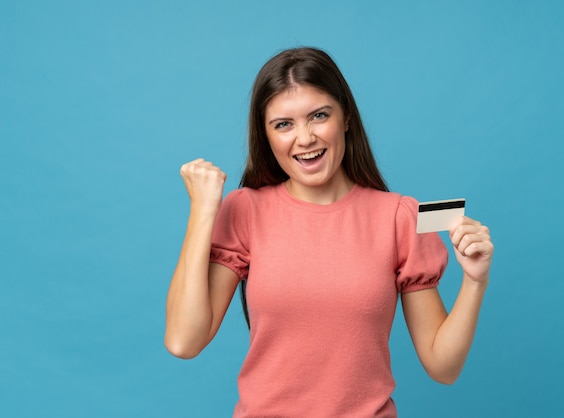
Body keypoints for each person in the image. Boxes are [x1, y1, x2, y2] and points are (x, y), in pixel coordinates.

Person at [165, 47, 494, 417]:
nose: (304, 138)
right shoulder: (244, 210)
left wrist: (474, 281)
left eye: (319, 116)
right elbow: (183, 341)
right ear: (267, 135)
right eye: (283, 124)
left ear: (346, 118)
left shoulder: (400, 216)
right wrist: (202, 212)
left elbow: (443, 367)